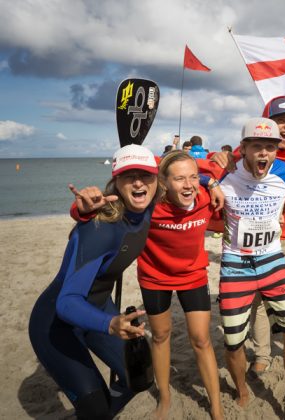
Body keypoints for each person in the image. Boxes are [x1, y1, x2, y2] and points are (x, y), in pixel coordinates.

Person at [70, 151, 226, 419]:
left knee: (201, 339)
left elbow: (223, 171)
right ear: (163, 182)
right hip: (155, 278)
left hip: (194, 276)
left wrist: (211, 181)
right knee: (161, 336)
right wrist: (79, 210)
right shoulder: (148, 206)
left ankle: (216, 406)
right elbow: (95, 210)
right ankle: (164, 399)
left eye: (192, 178)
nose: (188, 185)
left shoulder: (206, 199)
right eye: (179, 179)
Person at [29, 145, 160, 420]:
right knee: (95, 408)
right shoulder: (100, 229)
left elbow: (184, 173)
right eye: (129, 176)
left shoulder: (149, 206)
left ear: (156, 180)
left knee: (140, 378)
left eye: (145, 175)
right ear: (116, 182)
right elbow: (67, 301)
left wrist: (213, 180)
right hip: (56, 323)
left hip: (99, 307)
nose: (138, 182)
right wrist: (111, 324)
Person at [218, 117, 285, 419]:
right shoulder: (224, 172)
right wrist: (211, 178)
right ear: (243, 149)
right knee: (233, 340)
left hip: (272, 260)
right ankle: (241, 390)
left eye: (270, 147)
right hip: (236, 264)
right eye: (257, 147)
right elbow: (176, 177)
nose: (264, 153)